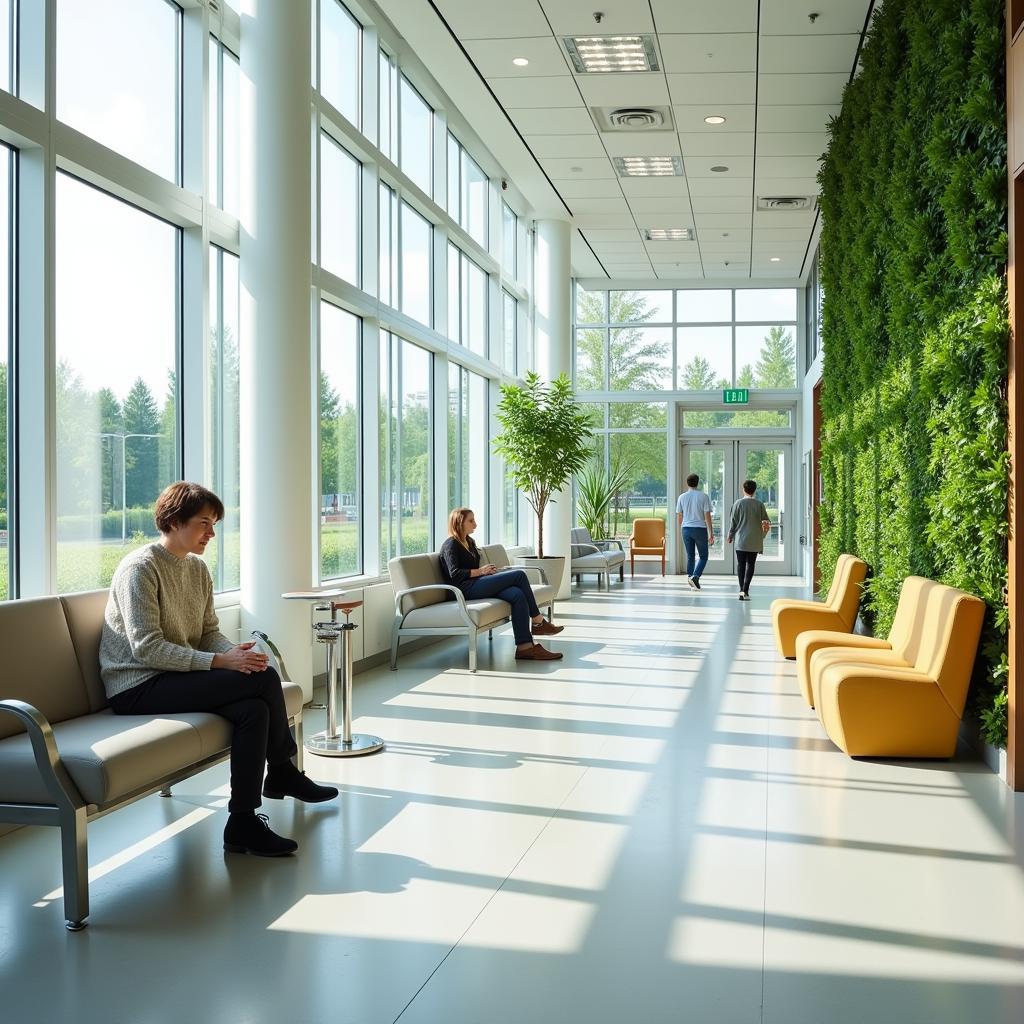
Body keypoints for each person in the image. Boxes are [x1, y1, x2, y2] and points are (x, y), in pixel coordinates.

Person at [100, 482, 338, 858]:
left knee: (253, 708)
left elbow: (208, 632)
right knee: (263, 678)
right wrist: (219, 661)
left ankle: (241, 822)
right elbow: (146, 648)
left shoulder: (196, 570)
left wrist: (232, 651)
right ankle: (281, 770)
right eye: (204, 523)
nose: (212, 533)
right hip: (137, 684)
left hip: (178, 676)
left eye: (214, 524)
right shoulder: (140, 568)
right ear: (174, 521)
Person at [439, 507, 564, 661]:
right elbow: (455, 574)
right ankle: (538, 621)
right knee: (519, 575)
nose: (475, 524)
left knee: (517, 595)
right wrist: (481, 572)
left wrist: (487, 572)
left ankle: (525, 648)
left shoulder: (469, 542)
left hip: (477, 584)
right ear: (459, 522)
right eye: (471, 521)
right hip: (463, 590)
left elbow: (472, 569)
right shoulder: (450, 545)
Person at [726, 479, 772, 601]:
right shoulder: (759, 504)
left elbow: (733, 522)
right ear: (754, 490)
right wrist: (764, 531)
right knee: (751, 564)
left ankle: (741, 589)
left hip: (741, 540)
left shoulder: (737, 504)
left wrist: (730, 535)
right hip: (755, 540)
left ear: (743, 489)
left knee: (741, 564)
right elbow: (766, 521)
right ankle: (745, 589)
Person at [676, 473, 714, 590]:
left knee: (690, 556)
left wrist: (682, 528)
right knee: (703, 556)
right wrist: (710, 533)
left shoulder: (682, 497)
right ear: (697, 483)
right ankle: (695, 577)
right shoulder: (703, 496)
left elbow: (679, 516)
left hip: (686, 529)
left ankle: (690, 578)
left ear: (687, 483)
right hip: (700, 529)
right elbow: (707, 516)